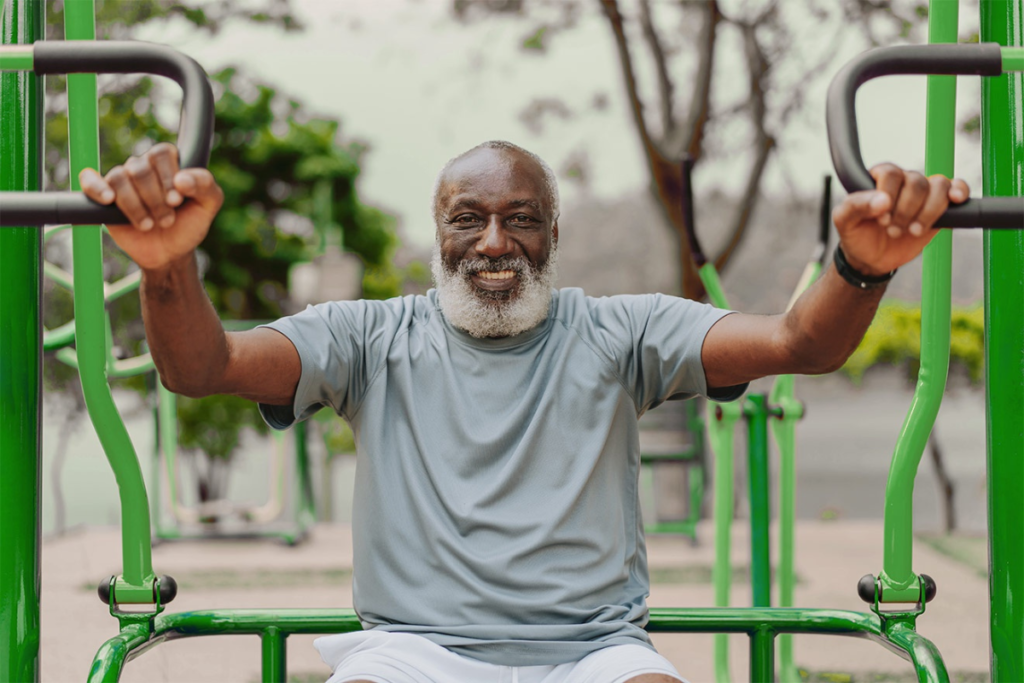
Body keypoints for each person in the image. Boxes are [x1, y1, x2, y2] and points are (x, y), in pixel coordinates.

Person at [80, 140, 969, 683]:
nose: (495, 243)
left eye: (522, 219)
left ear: (554, 234)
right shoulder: (370, 338)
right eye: (469, 219)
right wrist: (167, 266)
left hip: (596, 652)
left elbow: (796, 345)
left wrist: (860, 268)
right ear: (439, 236)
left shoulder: (623, 330)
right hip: (414, 650)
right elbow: (206, 367)